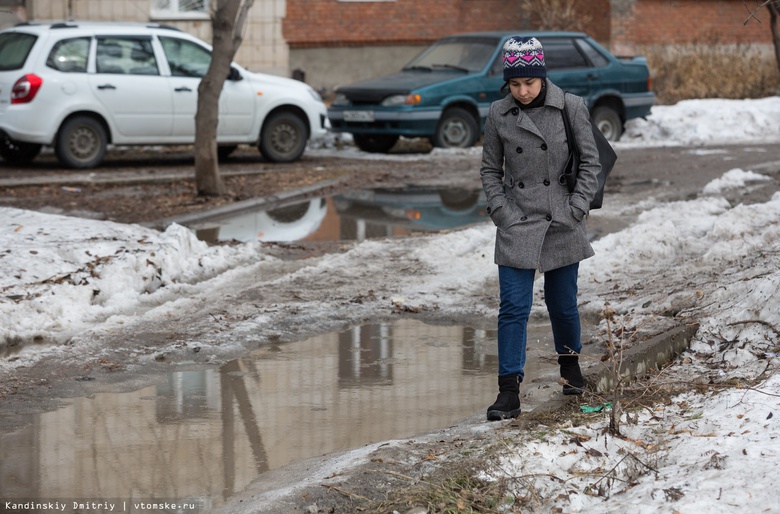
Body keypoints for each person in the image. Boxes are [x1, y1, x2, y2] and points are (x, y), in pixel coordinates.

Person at [480, 36, 601, 421]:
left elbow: (591, 164)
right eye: (515, 84)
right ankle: (508, 392)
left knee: (562, 302)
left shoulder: (571, 107)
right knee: (513, 306)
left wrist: (576, 208)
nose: (522, 91)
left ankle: (570, 369)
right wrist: (502, 212)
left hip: (561, 219)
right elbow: (489, 170)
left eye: (529, 83)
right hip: (517, 221)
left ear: (541, 77)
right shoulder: (499, 114)